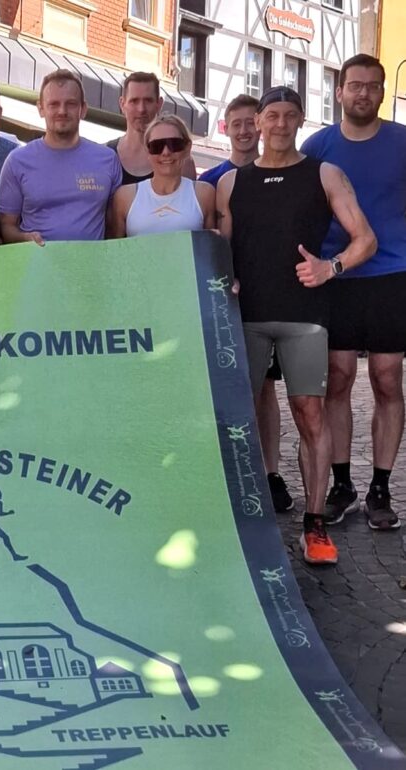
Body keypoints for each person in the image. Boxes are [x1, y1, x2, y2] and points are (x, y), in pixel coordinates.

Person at [217, 86, 376, 565]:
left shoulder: (324, 174)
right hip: (246, 317)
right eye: (272, 115)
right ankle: (241, 519)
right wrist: (227, 277)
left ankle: (314, 524)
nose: (280, 124)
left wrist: (331, 267)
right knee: (239, 420)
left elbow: (365, 240)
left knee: (310, 415)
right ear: (258, 123)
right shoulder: (231, 182)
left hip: (304, 315)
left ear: (301, 120)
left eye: (289, 115)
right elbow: (221, 249)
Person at [302, 54, 406, 531]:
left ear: (382, 92)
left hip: (393, 275)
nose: (363, 93)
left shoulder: (402, 142)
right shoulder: (317, 146)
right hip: (336, 277)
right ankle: (341, 484)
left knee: (387, 378)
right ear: (339, 91)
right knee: (338, 378)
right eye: (355, 85)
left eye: (372, 86)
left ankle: (380, 488)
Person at [202, 94, 294, 515]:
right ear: (226, 128)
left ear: (258, 126)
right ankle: (231, 474)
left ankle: (270, 473)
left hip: (269, 298)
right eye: (234, 123)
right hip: (225, 298)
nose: (242, 130)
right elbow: (209, 239)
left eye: (247, 123)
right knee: (228, 387)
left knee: (266, 390)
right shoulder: (213, 181)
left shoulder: (285, 172)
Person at [0, 69, 122, 244]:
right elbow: (6, 226)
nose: (62, 111)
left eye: (70, 104)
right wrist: (24, 238)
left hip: (92, 261)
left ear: (83, 109)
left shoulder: (107, 159)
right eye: (54, 104)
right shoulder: (17, 161)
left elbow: (115, 226)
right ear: (41, 109)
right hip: (38, 260)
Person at [108, 114, 214, 237]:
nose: (166, 152)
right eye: (157, 146)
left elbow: (212, 245)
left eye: (174, 144)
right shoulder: (125, 196)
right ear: (147, 151)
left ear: (187, 148)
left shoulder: (204, 194)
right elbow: (115, 246)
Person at [106, 72, 197, 185]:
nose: (141, 109)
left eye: (148, 101)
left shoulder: (180, 161)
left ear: (159, 104)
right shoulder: (104, 156)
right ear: (122, 104)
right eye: (134, 101)